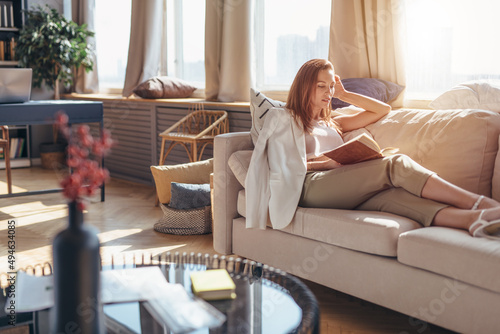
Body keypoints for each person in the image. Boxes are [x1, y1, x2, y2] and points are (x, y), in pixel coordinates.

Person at [245, 58, 500, 239]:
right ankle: (482, 203)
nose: (327, 91)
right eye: (321, 85)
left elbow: (383, 109)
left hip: (340, 182)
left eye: (330, 85)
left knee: (393, 198)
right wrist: (327, 163)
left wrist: (345, 94)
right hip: (307, 186)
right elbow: (278, 167)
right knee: (396, 164)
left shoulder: (335, 122)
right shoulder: (286, 119)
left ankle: (472, 221)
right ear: (304, 87)